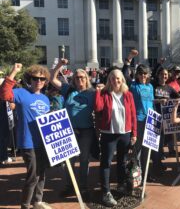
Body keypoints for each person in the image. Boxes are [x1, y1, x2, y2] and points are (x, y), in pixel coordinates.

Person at [0, 63, 52, 209]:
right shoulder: (21, 93)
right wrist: (14, 72)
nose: (39, 81)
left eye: (42, 79)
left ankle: (38, 201)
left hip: (43, 142)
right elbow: (4, 93)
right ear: (30, 78)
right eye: (35, 78)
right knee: (33, 175)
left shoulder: (45, 98)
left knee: (42, 173)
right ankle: (25, 204)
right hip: (28, 142)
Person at [50, 58, 96, 198]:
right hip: (69, 131)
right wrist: (60, 65)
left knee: (84, 160)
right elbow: (52, 78)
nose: (79, 79)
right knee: (69, 162)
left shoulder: (93, 93)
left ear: (86, 78)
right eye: (76, 77)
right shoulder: (68, 90)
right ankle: (70, 186)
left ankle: (83, 188)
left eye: (82, 77)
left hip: (86, 131)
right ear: (73, 79)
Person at [94, 69, 137, 207]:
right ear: (109, 80)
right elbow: (97, 107)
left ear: (122, 79)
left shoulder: (128, 94)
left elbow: (133, 115)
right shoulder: (105, 93)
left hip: (125, 133)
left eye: (118, 78)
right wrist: (97, 92)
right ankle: (106, 192)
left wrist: (134, 133)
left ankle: (121, 184)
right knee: (106, 162)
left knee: (122, 161)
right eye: (113, 78)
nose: (116, 81)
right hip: (109, 133)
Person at [129, 64, 155, 181]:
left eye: (145, 73)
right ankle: (138, 174)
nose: (143, 76)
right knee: (137, 149)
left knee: (147, 148)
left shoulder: (150, 86)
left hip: (149, 119)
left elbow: (152, 102)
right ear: (137, 75)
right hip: (138, 120)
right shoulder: (133, 86)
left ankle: (146, 173)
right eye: (141, 73)